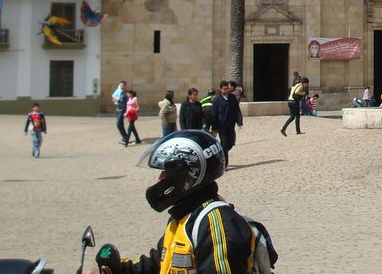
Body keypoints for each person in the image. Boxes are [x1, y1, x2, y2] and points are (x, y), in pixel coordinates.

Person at [82, 130, 260, 273]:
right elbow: (158, 262)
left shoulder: (215, 225)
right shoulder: (183, 217)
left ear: (187, 176)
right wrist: (118, 270)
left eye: (165, 173)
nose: (160, 178)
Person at [211, 80, 243, 168]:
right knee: (224, 144)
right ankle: (224, 164)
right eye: (224, 89)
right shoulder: (217, 100)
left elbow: (237, 110)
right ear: (221, 90)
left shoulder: (232, 98)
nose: (226, 91)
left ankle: (220, 153)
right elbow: (214, 114)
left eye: (227, 89)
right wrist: (214, 128)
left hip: (230, 125)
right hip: (222, 126)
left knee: (231, 143)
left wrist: (239, 122)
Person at [113, 80, 128, 144]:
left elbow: (128, 102)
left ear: (125, 86)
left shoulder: (126, 93)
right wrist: (116, 99)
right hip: (118, 109)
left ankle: (125, 137)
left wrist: (127, 111)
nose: (121, 86)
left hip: (123, 109)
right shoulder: (118, 92)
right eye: (120, 85)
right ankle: (124, 137)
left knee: (118, 124)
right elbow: (113, 99)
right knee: (120, 124)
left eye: (122, 85)